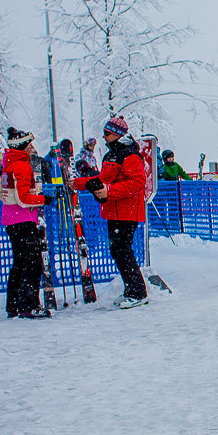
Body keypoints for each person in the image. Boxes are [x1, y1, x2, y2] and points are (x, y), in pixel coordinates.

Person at [73, 115, 149, 308]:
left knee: (122, 250)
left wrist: (110, 191)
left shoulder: (130, 154)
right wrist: (80, 183)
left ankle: (137, 292)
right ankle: (132, 289)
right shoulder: (110, 155)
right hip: (113, 210)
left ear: (117, 134)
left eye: (107, 133)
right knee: (118, 251)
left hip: (127, 210)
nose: (104, 137)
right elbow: (103, 179)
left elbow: (138, 182)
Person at [0, 127, 53, 319]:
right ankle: (29, 305)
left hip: (11, 219)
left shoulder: (8, 164)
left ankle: (13, 305)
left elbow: (0, 192)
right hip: (24, 219)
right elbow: (23, 198)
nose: (33, 148)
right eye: (30, 144)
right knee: (32, 264)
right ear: (22, 146)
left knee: (20, 263)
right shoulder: (22, 166)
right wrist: (42, 199)